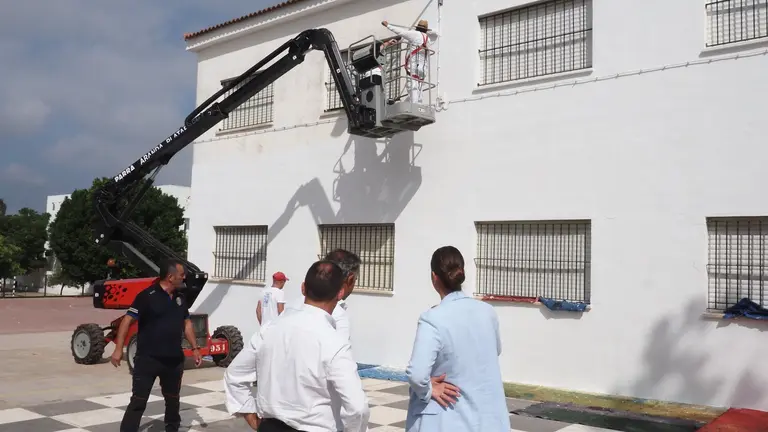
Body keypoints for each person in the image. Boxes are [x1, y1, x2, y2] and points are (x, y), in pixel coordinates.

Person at [223, 260, 369, 432]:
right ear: (340, 293)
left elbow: (234, 375)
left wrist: (251, 416)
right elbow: (358, 408)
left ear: (303, 288)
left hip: (270, 427)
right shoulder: (334, 342)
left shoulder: (268, 330)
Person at [404, 246, 510, 432]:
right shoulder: (488, 312)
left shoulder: (432, 318)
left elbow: (417, 374)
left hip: (449, 419)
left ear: (434, 277)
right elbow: (495, 350)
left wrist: (429, 389)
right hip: (489, 420)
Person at [111, 258, 203, 432]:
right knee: (138, 400)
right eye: (181, 275)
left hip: (173, 361)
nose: (184, 278)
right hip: (148, 359)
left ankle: (172, 428)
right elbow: (126, 321)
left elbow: (187, 323)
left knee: (173, 399)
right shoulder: (147, 296)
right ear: (170, 277)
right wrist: (118, 349)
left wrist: (195, 348)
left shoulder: (180, 298)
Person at [381, 19, 439, 104]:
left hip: (414, 66)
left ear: (417, 28)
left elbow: (401, 32)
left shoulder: (415, 34)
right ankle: (418, 104)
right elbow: (410, 40)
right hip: (423, 69)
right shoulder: (427, 39)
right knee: (419, 89)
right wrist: (400, 41)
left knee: (412, 87)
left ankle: (414, 105)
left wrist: (388, 25)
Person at [324, 249, 362, 344]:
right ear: (350, 279)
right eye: (355, 280)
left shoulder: (295, 306)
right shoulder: (338, 315)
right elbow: (339, 357)